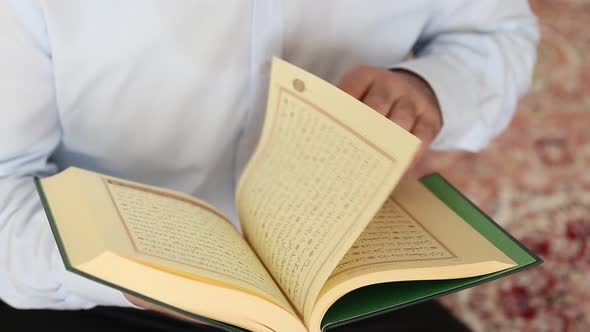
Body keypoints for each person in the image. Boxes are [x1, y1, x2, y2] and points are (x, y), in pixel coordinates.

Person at [0, 1, 539, 331]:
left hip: (330, 278)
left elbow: (498, 34)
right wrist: (135, 279)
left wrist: (429, 90)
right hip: (99, 292)